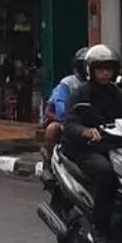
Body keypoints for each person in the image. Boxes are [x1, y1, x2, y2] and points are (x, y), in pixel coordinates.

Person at [63, 44, 122, 240]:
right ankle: (100, 227)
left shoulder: (118, 94)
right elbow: (70, 123)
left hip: (113, 147)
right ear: (91, 71)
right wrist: (85, 132)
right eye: (100, 69)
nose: (105, 73)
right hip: (84, 149)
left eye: (109, 69)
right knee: (106, 173)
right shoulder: (80, 94)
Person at [39, 48, 88, 185]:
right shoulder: (68, 83)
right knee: (52, 129)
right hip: (67, 121)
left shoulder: (102, 85)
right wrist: (66, 118)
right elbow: (57, 109)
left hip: (92, 123)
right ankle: (49, 165)